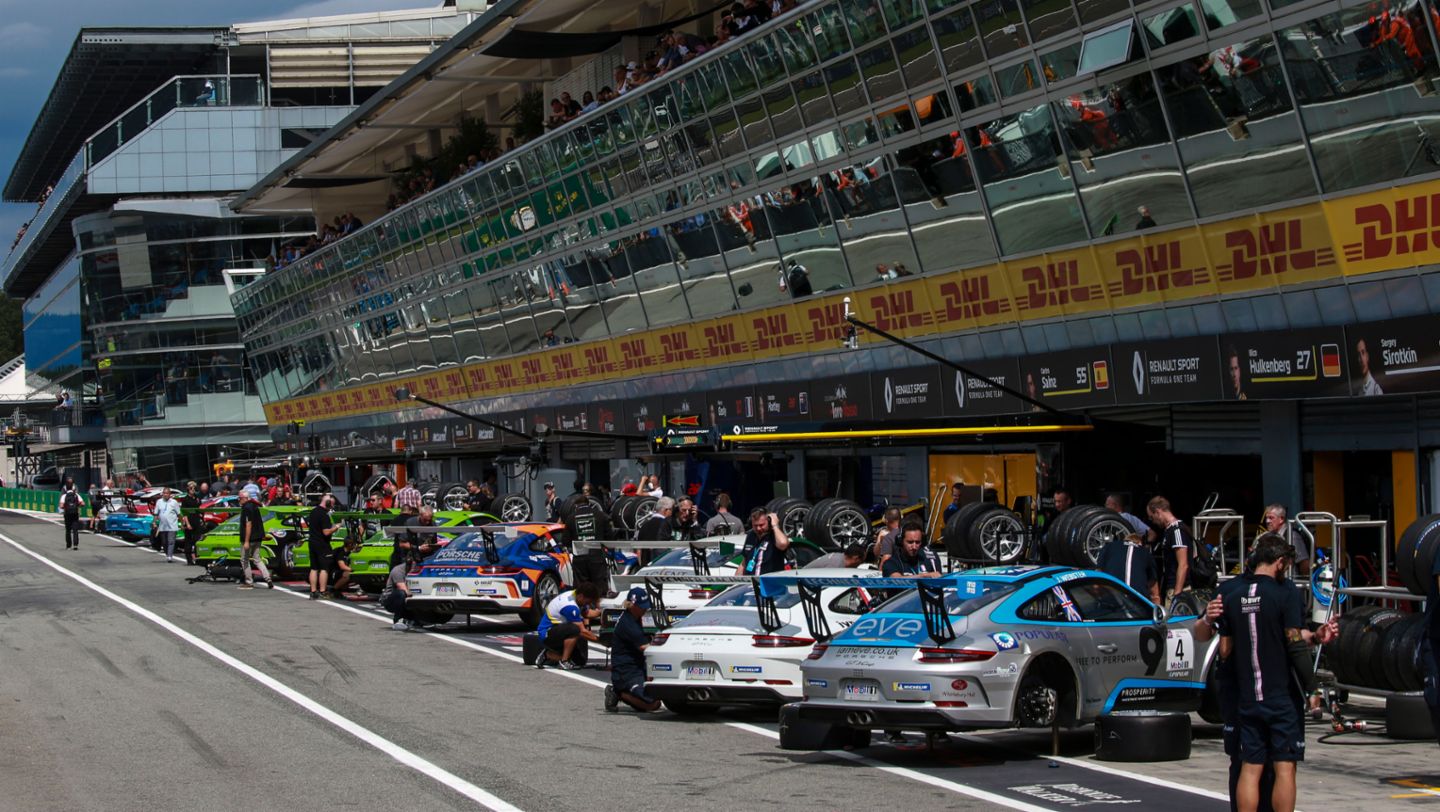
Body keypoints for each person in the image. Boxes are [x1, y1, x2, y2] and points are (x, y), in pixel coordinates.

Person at [1216, 535, 1323, 812]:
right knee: (1285, 766)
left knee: (1251, 766)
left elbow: (1225, 649)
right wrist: (1312, 687)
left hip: (1248, 695)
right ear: (1279, 562)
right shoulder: (1285, 592)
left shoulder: (1232, 594)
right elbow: (1295, 643)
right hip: (1280, 695)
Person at [605, 586, 663, 713]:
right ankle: (618, 692)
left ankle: (628, 692)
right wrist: (664, 647)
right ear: (632, 606)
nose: (645, 609)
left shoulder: (634, 617)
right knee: (653, 704)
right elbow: (644, 648)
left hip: (637, 667)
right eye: (642, 607)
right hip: (626, 672)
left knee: (656, 695)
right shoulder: (628, 624)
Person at [1148, 495, 1207, 601]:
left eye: (1152, 517)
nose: (1153, 522)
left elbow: (1183, 565)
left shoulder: (1177, 531)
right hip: (1171, 587)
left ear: (1157, 512)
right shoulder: (1169, 530)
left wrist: (1177, 594)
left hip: (1179, 588)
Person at [536, 582, 601, 670]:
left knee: (579, 662)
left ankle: (547, 655)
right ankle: (564, 661)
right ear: (581, 596)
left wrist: (602, 613)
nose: (588, 604)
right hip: (546, 634)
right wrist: (601, 641)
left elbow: (587, 613)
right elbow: (582, 631)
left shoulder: (575, 594)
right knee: (575, 629)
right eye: (587, 602)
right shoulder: (570, 606)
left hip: (559, 630)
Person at [1096, 532, 1160, 605]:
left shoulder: (1109, 547)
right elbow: (1154, 594)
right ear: (1140, 544)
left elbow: (1097, 578)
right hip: (1138, 604)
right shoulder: (1146, 553)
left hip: (1112, 599)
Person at [237, 486, 274, 589]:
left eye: (239, 498)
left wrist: (246, 541)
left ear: (244, 498)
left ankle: (249, 581)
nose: (239, 500)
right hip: (258, 537)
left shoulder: (246, 508)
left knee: (244, 559)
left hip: (250, 538)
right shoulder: (255, 506)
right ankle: (268, 578)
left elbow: (248, 524)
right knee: (257, 559)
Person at [741, 508, 791, 575]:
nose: (758, 528)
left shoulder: (775, 536)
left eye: (761, 525)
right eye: (755, 525)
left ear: (769, 522)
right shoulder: (751, 535)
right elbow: (743, 563)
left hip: (768, 581)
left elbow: (783, 544)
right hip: (750, 581)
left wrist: (775, 525)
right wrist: (735, 580)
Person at [307, 494, 338, 599]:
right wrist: (336, 527)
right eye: (332, 503)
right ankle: (322, 591)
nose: (332, 506)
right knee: (324, 568)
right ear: (327, 503)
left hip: (312, 542)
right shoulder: (324, 515)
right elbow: (326, 532)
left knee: (314, 568)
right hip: (322, 544)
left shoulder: (313, 512)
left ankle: (313, 591)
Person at [380, 558, 416, 630]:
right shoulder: (398, 571)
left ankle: (413, 619)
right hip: (391, 599)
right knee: (401, 593)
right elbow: (403, 589)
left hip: (408, 598)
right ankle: (398, 620)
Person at [153, 487, 182, 563]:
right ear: (162, 494)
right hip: (163, 526)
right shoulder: (159, 502)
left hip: (172, 526)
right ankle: (167, 553)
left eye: (167, 493)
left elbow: (179, 514)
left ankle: (169, 556)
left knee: (171, 541)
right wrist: (154, 522)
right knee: (164, 542)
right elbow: (156, 513)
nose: (165, 495)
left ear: (170, 494)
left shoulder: (174, 502)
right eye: (164, 493)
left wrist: (182, 523)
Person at [60, 478, 83, 550]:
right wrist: (77, 505)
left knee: (68, 530)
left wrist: (66, 507)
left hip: (67, 514)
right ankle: (75, 545)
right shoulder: (76, 495)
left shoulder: (64, 496)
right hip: (75, 514)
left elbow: (61, 506)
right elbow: (83, 503)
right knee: (75, 530)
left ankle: (68, 545)